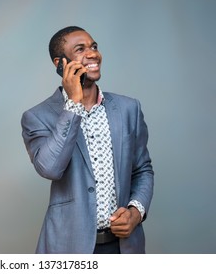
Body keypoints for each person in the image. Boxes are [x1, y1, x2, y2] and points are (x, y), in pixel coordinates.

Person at [21, 26, 154, 254]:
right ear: (60, 63)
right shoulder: (37, 117)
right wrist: (73, 104)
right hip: (69, 247)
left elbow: (142, 169)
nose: (92, 53)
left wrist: (135, 212)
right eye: (80, 49)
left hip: (123, 247)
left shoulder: (128, 108)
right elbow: (51, 168)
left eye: (94, 47)